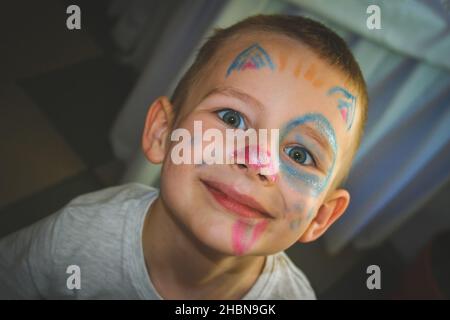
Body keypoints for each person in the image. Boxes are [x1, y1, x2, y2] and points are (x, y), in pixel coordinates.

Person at [0, 14, 368, 299]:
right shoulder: (77, 235)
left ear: (320, 216)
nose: (258, 160)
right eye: (231, 118)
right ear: (163, 131)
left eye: (300, 154)